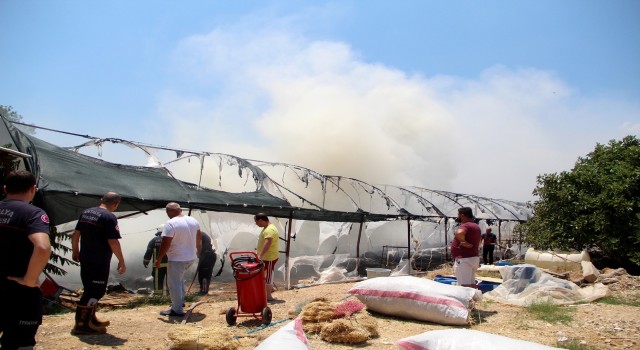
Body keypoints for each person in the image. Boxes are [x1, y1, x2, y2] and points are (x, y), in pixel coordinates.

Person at [0, 170, 52, 349]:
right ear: (33, 189)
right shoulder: (33, 214)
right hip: (19, 292)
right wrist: (29, 280)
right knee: (19, 342)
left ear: (5, 189)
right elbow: (43, 248)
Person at [71, 192, 126, 335]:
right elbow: (113, 241)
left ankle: (91, 319)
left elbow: (75, 234)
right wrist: (121, 260)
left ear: (101, 200)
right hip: (99, 260)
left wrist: (75, 251)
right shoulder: (109, 217)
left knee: (89, 288)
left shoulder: (87, 212)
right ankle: (82, 325)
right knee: (95, 291)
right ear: (115, 204)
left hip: (85, 258)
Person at [155, 202, 201, 317]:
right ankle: (180, 302)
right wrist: (199, 251)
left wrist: (159, 258)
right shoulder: (193, 221)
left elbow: (166, 241)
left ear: (169, 211)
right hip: (190, 257)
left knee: (174, 283)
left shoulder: (171, 223)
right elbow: (198, 238)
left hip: (177, 258)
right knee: (179, 280)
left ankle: (176, 309)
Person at [450, 207, 481, 288]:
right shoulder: (475, 226)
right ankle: (475, 298)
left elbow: (459, 233)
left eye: (458, 214)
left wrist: (464, 242)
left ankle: (468, 300)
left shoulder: (466, 225)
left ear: (462, 215)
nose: (457, 217)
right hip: (473, 257)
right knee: (471, 283)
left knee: (465, 285)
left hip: (464, 259)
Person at [254, 213, 280, 302]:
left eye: (256, 222)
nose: (256, 224)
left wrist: (260, 255)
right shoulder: (266, 228)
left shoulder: (270, 229)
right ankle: (270, 289)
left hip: (269, 257)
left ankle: (268, 296)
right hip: (266, 257)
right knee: (263, 275)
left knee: (268, 276)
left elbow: (268, 243)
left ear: (261, 220)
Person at [143, 224, 168, 294]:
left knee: (158, 280)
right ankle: (171, 296)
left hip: (158, 264)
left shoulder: (154, 240)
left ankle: (158, 295)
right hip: (170, 264)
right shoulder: (171, 239)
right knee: (171, 281)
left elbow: (149, 251)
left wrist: (146, 261)